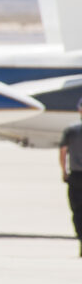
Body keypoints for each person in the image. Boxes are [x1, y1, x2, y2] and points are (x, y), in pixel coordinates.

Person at [58, 98, 82, 257]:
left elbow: (63, 152)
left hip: (76, 176)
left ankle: (81, 238)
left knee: (77, 210)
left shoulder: (71, 129)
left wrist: (64, 171)